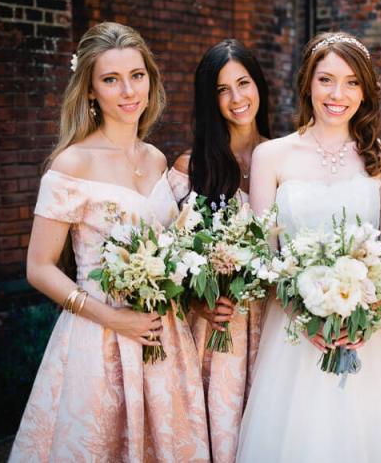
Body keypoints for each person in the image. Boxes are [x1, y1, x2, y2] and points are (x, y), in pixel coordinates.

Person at [9, 22, 209, 462]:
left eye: (137, 76)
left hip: (163, 337)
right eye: (111, 79)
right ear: (90, 91)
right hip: (100, 338)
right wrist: (115, 320)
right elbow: (39, 267)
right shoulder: (72, 162)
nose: (128, 91)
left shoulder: (155, 158)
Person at [236, 32, 381, 462]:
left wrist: (364, 316)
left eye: (351, 82)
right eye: (326, 80)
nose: (337, 94)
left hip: (367, 335)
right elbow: (263, 256)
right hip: (293, 333)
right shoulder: (272, 156)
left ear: (364, 91)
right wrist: (304, 318)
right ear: (308, 83)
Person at [168, 39, 270, 463]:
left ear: (259, 85)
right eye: (222, 90)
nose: (236, 98)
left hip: (273, 319)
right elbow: (171, 254)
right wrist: (199, 299)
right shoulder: (189, 167)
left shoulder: (285, 157)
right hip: (218, 327)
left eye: (243, 83)